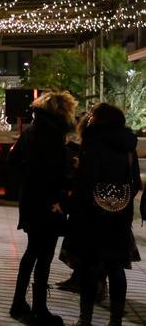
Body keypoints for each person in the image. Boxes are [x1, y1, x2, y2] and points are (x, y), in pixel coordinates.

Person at [68, 104, 141, 326]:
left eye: (92, 115)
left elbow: (87, 181)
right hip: (120, 215)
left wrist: (72, 205)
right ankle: (115, 320)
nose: (88, 118)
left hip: (93, 214)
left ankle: (85, 319)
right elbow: (135, 182)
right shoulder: (129, 146)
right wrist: (118, 203)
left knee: (91, 267)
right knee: (116, 266)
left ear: (99, 120)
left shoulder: (93, 142)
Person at [8, 92, 77, 326]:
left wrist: (28, 183)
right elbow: (58, 172)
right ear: (61, 111)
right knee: (44, 255)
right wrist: (61, 194)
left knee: (32, 252)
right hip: (49, 204)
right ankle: (39, 308)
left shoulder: (31, 131)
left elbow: (13, 162)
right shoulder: (54, 135)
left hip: (30, 201)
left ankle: (19, 303)